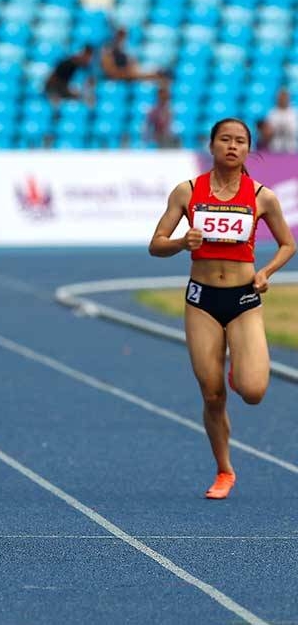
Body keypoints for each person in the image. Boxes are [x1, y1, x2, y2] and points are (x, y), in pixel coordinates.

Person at [148, 117, 295, 499]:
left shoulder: (262, 195)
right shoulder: (187, 191)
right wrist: (182, 242)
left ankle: (239, 368)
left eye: (240, 141)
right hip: (202, 301)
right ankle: (224, 469)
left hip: (244, 300)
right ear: (212, 146)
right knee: (212, 395)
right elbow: (156, 243)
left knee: (253, 390)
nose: (232, 146)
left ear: (249, 149)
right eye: (225, 139)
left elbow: (287, 244)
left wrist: (267, 272)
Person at [100, 27, 170, 83]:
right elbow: (112, 73)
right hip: (119, 80)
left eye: (124, 36)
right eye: (120, 35)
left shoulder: (124, 50)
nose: (122, 38)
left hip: (128, 76)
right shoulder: (107, 51)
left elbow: (133, 65)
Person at [263, 87, 298, 153]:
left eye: (285, 97)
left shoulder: (295, 113)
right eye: (281, 97)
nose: (283, 99)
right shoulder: (272, 113)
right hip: (275, 147)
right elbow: (267, 133)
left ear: (289, 98)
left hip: (293, 147)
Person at [145, 83, 178, 148]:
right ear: (158, 96)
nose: (164, 97)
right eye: (162, 95)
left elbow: (172, 125)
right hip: (158, 136)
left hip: (169, 136)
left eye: (166, 95)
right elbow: (148, 125)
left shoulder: (171, 109)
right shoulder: (154, 110)